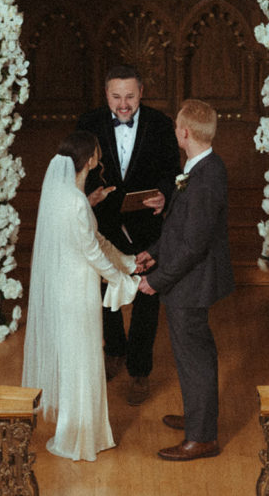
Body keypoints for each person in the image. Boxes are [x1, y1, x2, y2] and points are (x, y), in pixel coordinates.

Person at [21, 130, 140, 462]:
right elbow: (92, 250)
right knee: (84, 359)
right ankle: (80, 437)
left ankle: (84, 431)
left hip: (67, 286)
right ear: (90, 159)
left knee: (80, 357)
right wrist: (121, 279)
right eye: (97, 153)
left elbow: (90, 236)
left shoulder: (62, 194)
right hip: (78, 291)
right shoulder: (75, 202)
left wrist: (127, 262)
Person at [136, 99, 234, 461]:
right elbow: (181, 226)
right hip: (187, 279)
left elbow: (194, 245)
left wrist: (156, 279)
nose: (175, 131)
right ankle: (198, 418)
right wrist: (154, 251)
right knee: (192, 355)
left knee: (195, 357)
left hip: (191, 284)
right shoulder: (200, 166)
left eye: (177, 127)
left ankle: (202, 437)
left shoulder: (205, 176)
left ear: (185, 132)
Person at [76, 65, 180, 405]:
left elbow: (172, 173)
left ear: (142, 91)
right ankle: (114, 351)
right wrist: (89, 200)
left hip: (147, 226)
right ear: (106, 94)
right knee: (105, 295)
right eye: (117, 97)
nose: (123, 105)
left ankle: (139, 370)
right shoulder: (88, 124)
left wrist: (164, 195)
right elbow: (77, 173)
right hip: (102, 225)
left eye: (130, 97)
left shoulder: (162, 125)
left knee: (147, 299)